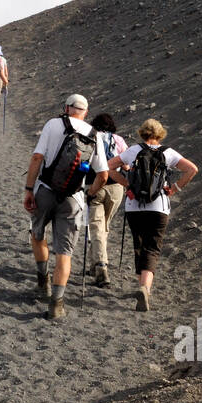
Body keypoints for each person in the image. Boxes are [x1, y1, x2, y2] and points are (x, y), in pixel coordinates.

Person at [23, 94, 108, 320]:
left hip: (46, 190)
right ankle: (57, 304)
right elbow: (103, 174)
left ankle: (43, 281)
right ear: (85, 112)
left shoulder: (53, 124)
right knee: (65, 252)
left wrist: (28, 189)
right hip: (74, 198)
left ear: (67, 108)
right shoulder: (94, 135)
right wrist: (89, 193)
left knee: (37, 234)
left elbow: (37, 158)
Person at [106, 119, 198, 312]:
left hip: (134, 206)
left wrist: (128, 185)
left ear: (142, 133)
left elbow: (107, 167)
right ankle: (145, 288)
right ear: (160, 134)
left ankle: (142, 286)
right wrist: (174, 188)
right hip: (159, 206)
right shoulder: (168, 152)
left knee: (139, 244)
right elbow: (192, 169)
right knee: (152, 247)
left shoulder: (133, 151)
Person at [87, 113, 127, 287]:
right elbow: (127, 165)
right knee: (104, 227)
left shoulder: (89, 138)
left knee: (96, 227)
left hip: (94, 185)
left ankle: (101, 266)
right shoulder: (118, 140)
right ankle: (92, 264)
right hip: (116, 188)